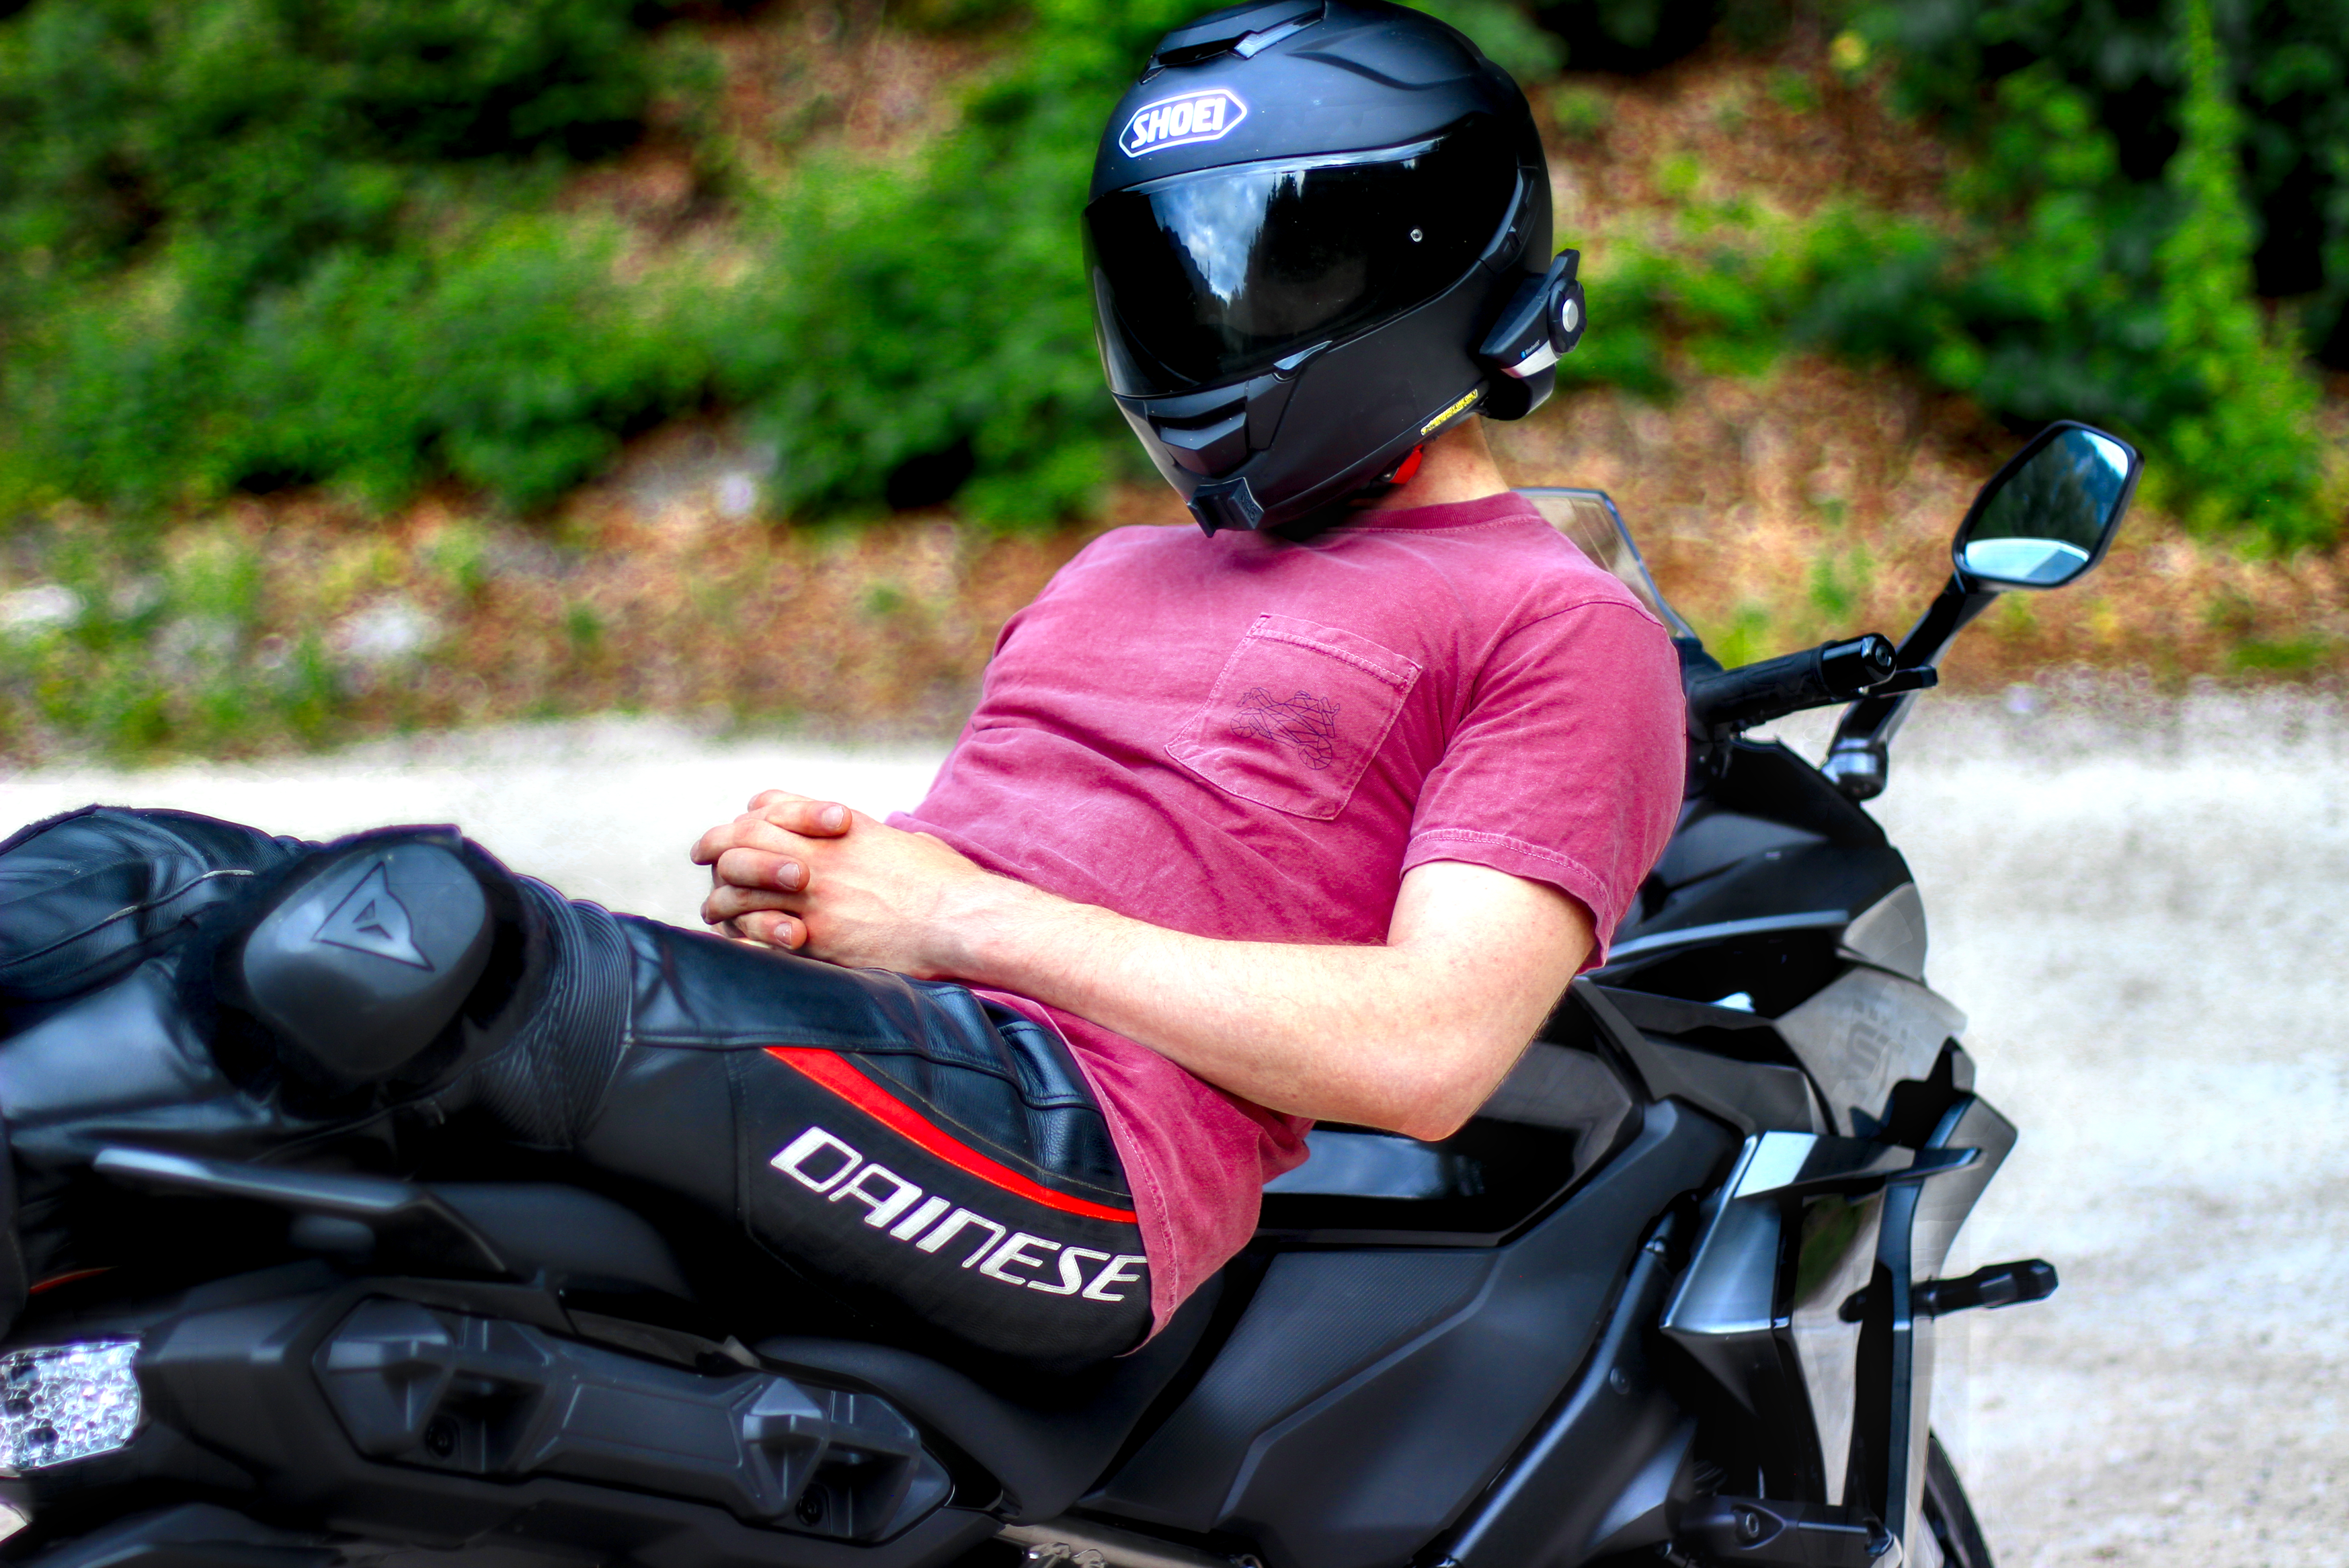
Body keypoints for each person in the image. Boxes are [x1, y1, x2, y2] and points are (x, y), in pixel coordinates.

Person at [0, 1, 1681, 1372]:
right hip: (915, 1063)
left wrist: (951, 921)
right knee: (119, 869)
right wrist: (823, 898)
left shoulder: (1550, 619)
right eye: (1167, 277)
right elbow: (999, 878)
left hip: (1076, 1162)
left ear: (1429, 265)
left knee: (424, 931)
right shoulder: (1120, 568)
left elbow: (1429, 1051)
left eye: (1260, 273)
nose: (1202, 321)